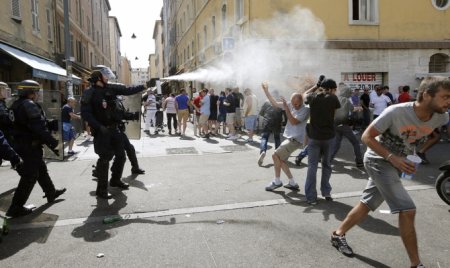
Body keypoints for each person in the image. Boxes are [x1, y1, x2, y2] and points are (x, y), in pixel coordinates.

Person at [330, 76, 450, 267]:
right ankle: (416, 264)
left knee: (366, 204)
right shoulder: (396, 112)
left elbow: (432, 135)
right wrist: (392, 158)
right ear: (427, 95)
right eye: (445, 96)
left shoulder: (441, 116)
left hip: (398, 163)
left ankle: (338, 234)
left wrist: (417, 152)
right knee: (408, 210)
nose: (449, 101)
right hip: (378, 160)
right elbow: (366, 137)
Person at [81, 65, 145, 199]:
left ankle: (115, 180)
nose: (107, 78)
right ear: (98, 77)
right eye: (105, 75)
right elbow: (86, 115)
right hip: (102, 131)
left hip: (115, 129)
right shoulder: (89, 93)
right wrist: (98, 127)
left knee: (121, 156)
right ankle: (101, 190)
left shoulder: (110, 88)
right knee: (105, 159)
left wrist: (143, 86)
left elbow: (127, 90)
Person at [6, 80, 66, 217]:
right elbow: (37, 128)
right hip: (29, 146)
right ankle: (16, 207)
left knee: (41, 169)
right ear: (30, 93)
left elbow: (25, 124)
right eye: (36, 92)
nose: (38, 94)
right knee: (29, 176)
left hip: (22, 144)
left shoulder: (15, 104)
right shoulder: (29, 104)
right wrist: (53, 142)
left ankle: (51, 192)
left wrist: (48, 124)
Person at [262, 82, 310, 192]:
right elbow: (274, 103)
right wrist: (266, 91)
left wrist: (286, 107)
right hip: (290, 138)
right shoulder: (290, 104)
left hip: (295, 140)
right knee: (281, 160)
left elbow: (293, 121)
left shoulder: (306, 109)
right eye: (293, 104)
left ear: (302, 101)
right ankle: (292, 182)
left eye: (297, 104)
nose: (295, 106)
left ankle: (277, 181)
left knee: (275, 155)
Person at [303, 77, 341, 205]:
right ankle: (326, 192)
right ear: (330, 89)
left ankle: (311, 197)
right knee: (327, 165)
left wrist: (316, 86)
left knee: (312, 167)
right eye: (334, 89)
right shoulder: (333, 98)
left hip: (314, 137)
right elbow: (334, 116)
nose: (335, 92)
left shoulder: (312, 97)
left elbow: (304, 95)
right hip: (329, 136)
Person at [331, 83, 364, 168]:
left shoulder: (335, 98)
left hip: (335, 124)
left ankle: (328, 159)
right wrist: (359, 108)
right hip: (344, 125)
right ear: (347, 93)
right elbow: (353, 109)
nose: (350, 94)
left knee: (336, 144)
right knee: (355, 143)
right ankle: (359, 161)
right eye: (350, 93)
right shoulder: (346, 100)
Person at [258, 95, 284, 166]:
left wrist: (267, 116)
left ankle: (263, 151)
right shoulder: (279, 103)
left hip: (267, 122)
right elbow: (284, 113)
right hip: (277, 123)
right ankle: (278, 155)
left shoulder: (266, 102)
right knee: (277, 138)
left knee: (264, 138)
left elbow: (261, 113)